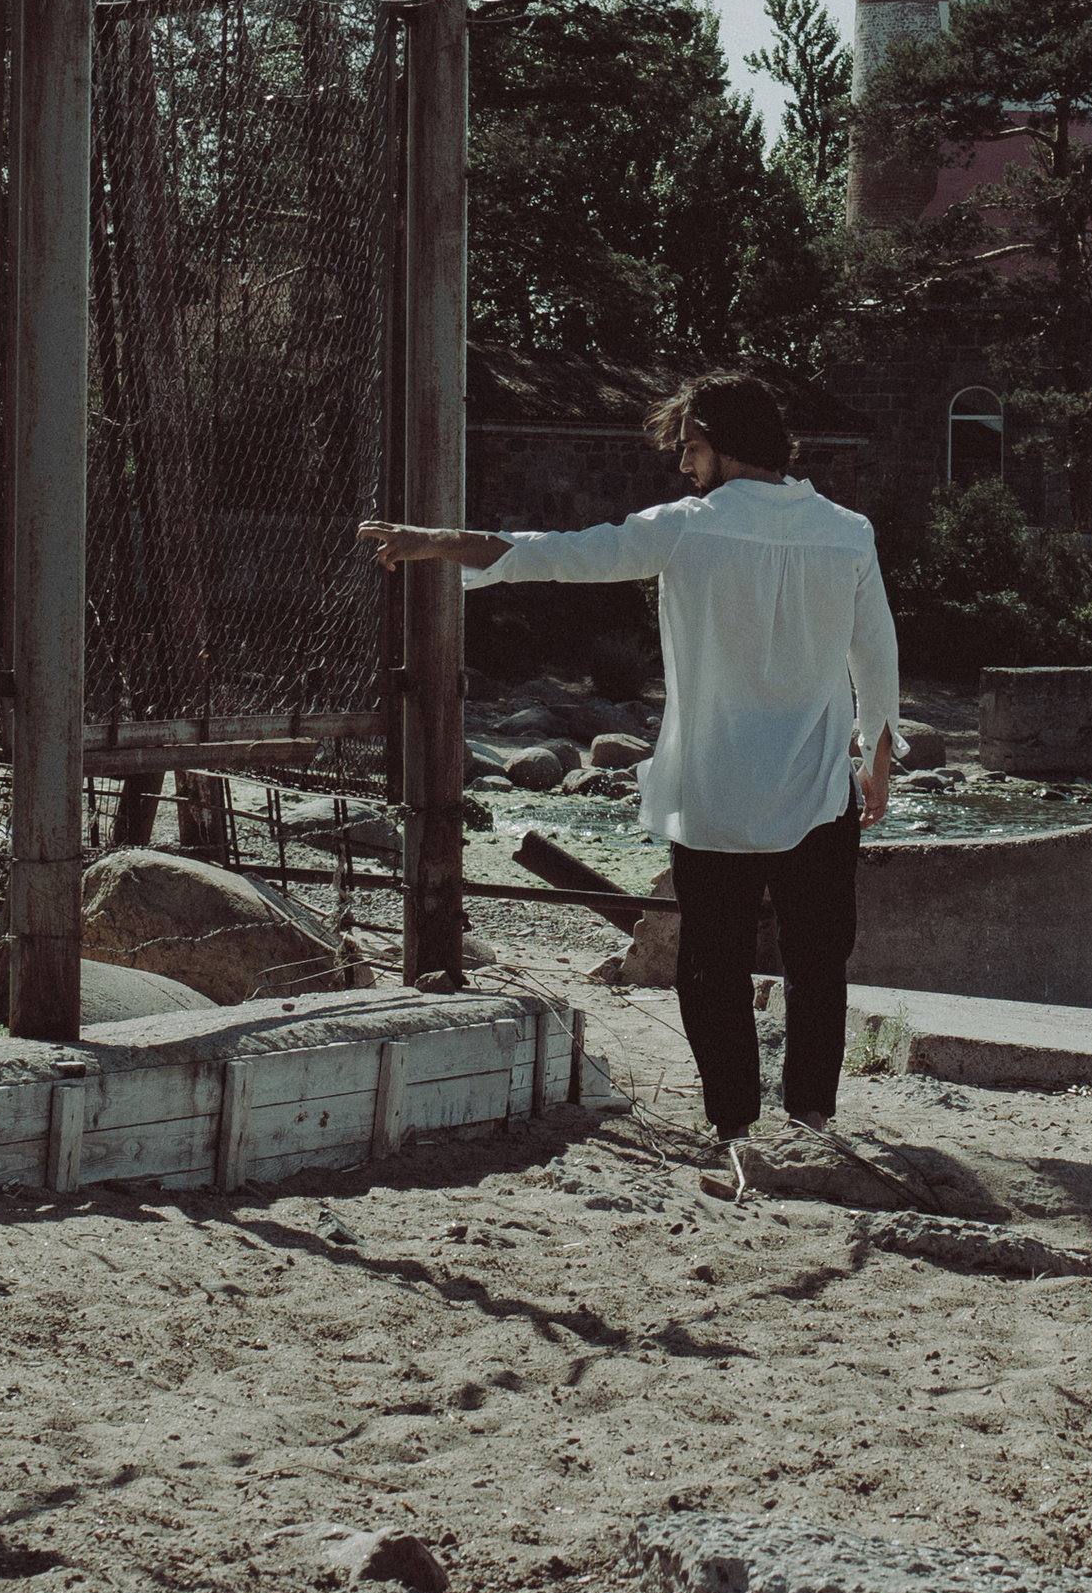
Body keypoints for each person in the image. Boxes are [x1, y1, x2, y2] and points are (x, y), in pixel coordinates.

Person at [358, 367, 900, 1166]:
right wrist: (879, 759)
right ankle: (812, 1122)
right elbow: (877, 654)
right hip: (819, 783)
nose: (685, 466)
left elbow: (564, 554)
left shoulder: (686, 526)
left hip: (716, 787)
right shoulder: (848, 530)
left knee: (712, 964)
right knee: (818, 960)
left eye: (692, 447)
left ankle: (737, 1132)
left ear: (723, 445)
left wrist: (441, 542)